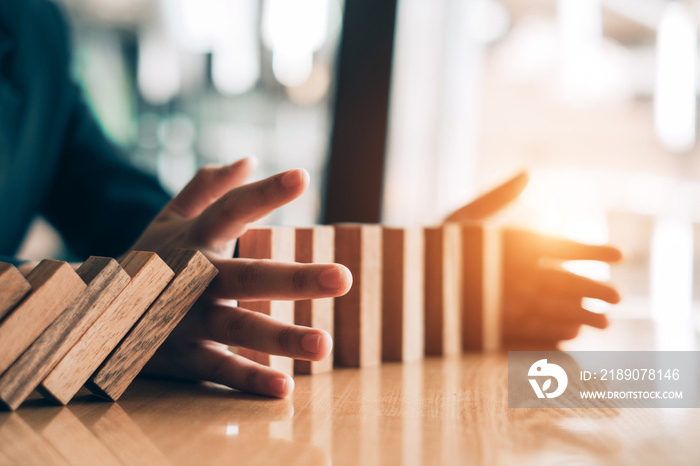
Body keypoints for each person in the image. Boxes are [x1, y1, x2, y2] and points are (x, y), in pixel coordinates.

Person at [0, 0, 621, 398]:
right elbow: (139, 283)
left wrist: (415, 282)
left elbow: (153, 230)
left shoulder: (35, 31)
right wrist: (113, 322)